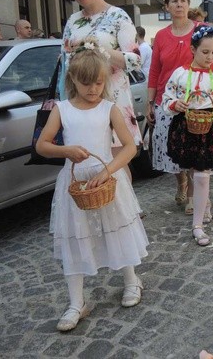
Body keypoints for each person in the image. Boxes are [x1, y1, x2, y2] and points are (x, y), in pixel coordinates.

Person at [35, 43, 148, 332]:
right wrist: (67, 151)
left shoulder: (109, 109)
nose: (93, 89)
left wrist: (109, 170)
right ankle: (76, 302)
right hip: (76, 183)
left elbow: (129, 147)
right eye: (86, 83)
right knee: (76, 237)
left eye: (99, 82)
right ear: (72, 79)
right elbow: (42, 145)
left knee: (117, 228)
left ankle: (131, 280)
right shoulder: (62, 110)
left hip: (107, 180)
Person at [162, 25, 213, 246]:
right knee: (193, 170)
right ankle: (203, 202)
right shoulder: (180, 74)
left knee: (202, 175)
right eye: (205, 52)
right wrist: (175, 104)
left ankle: (197, 225)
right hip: (186, 126)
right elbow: (165, 99)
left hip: (210, 127)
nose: (210, 57)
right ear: (193, 49)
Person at [59, 0, 142, 181]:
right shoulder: (73, 21)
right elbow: (66, 65)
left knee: (117, 166)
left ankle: (128, 213)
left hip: (113, 99)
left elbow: (134, 60)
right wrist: (65, 105)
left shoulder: (117, 16)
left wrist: (96, 48)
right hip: (82, 104)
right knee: (90, 164)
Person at [146, 0, 203, 212]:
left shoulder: (201, 30)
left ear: (188, 4)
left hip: (195, 100)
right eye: (174, 1)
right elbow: (154, 71)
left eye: (183, 0)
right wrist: (150, 103)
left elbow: (211, 63)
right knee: (174, 149)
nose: (179, 5)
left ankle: (192, 195)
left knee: (193, 149)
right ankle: (180, 182)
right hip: (167, 102)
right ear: (166, 6)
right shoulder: (160, 36)